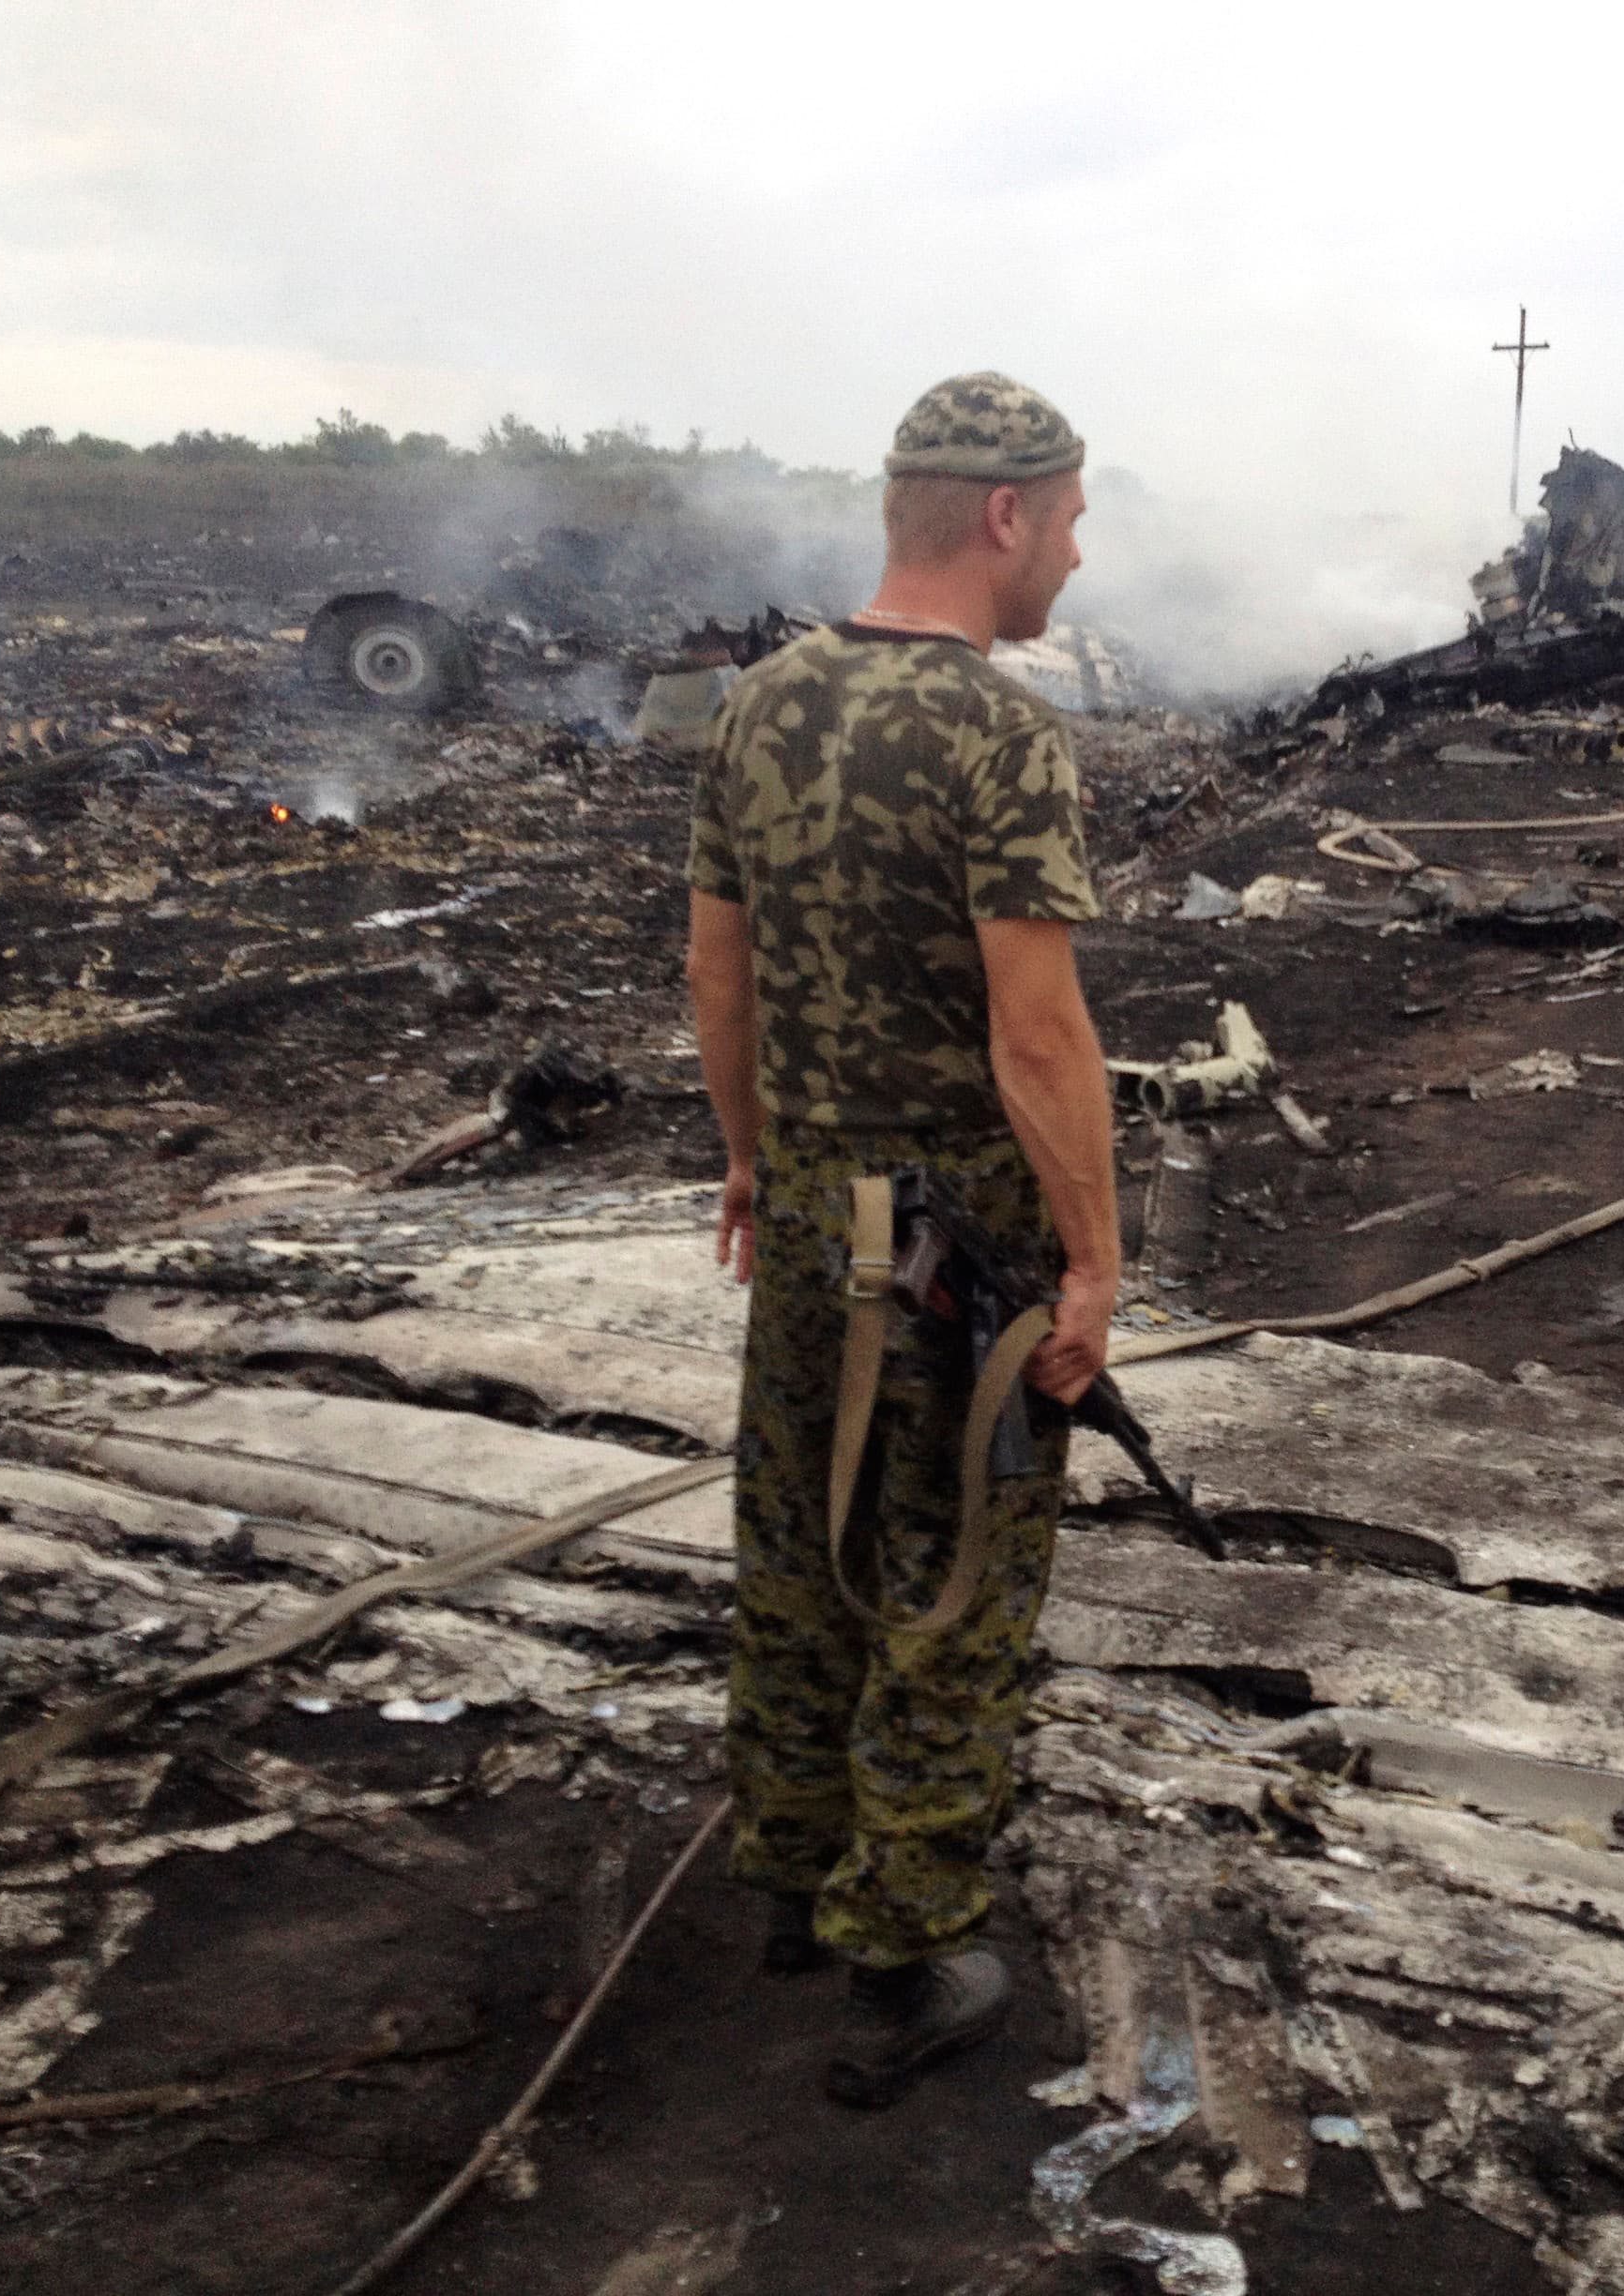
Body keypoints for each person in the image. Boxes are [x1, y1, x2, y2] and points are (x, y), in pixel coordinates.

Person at [684, 373, 1116, 2108]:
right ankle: (913, 1927)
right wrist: (1091, 1261)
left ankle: (793, 1871)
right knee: (951, 1580)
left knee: (797, 1537)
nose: (1076, 558)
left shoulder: (758, 704)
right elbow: (1037, 1040)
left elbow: (717, 970)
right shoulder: (1004, 736)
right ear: (1004, 516)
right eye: (1072, 522)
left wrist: (746, 1160)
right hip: (958, 1248)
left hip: (801, 1213)